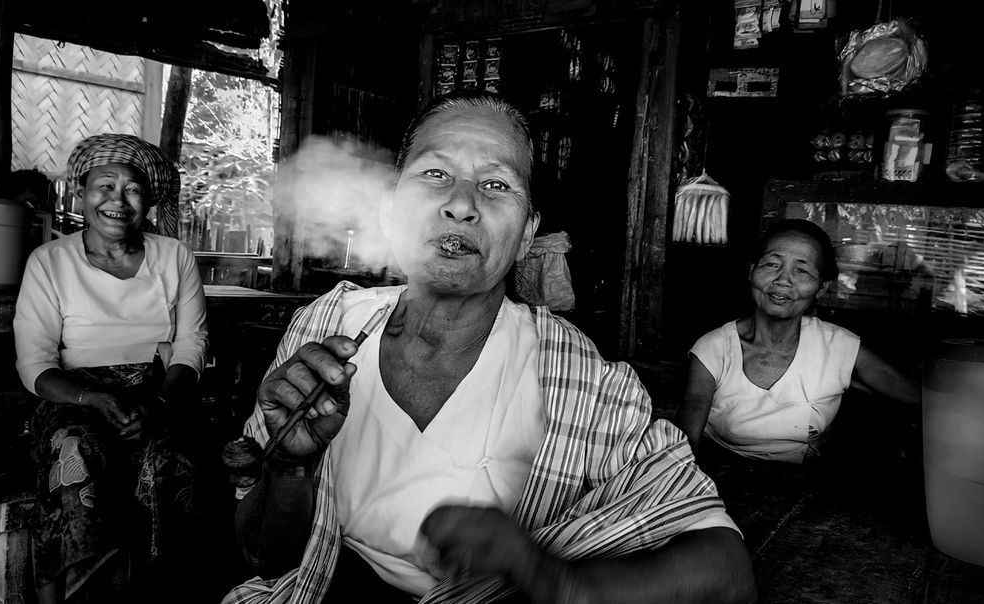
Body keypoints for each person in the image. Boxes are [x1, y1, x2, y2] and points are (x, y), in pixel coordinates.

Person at [226, 92, 755, 604]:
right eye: (435, 174)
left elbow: (727, 571)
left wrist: (548, 576)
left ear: (526, 235)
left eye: (496, 184)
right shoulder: (328, 324)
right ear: (389, 211)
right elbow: (262, 555)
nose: (461, 205)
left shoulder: (582, 380)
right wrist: (289, 468)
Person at [13, 133, 209, 603]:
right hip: (74, 399)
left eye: (133, 189)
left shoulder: (174, 257)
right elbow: (35, 361)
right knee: (75, 452)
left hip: (155, 395)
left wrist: (158, 404)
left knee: (173, 458)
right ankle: (75, 594)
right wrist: (91, 398)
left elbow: (192, 346)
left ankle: (152, 592)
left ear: (148, 201)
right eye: (105, 186)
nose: (118, 200)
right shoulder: (50, 261)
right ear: (81, 193)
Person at [674, 219, 921, 464]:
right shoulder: (714, 348)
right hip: (722, 471)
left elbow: (918, 400)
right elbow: (686, 442)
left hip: (803, 480)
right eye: (772, 264)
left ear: (821, 288)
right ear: (751, 272)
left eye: (801, 270)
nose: (783, 280)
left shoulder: (838, 347)